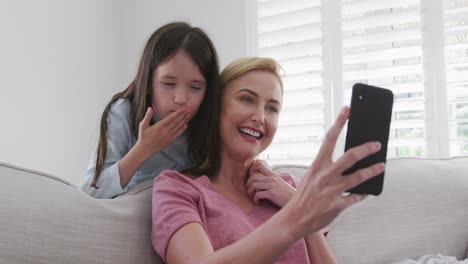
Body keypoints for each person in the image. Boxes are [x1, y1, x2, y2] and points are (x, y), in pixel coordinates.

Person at [151, 57, 385, 263]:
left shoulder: (290, 189)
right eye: (246, 100)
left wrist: (297, 206)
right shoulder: (177, 189)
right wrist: (296, 214)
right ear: (216, 108)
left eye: (272, 108)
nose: (260, 117)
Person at [80, 22, 219, 198]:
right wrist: (142, 150)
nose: (181, 99)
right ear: (148, 83)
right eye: (168, 84)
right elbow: (88, 192)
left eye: (196, 87)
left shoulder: (213, 121)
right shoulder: (124, 112)